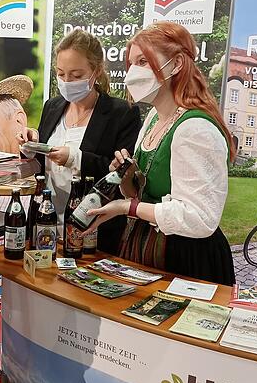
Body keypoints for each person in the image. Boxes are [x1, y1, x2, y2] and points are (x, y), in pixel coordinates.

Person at [84, 22, 235, 285]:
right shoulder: (154, 117)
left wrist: (127, 208)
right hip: (147, 247)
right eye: (131, 64)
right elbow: (145, 188)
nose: (132, 73)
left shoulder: (194, 129)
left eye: (143, 61)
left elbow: (200, 218)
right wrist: (128, 175)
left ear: (176, 64)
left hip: (186, 260)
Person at [29, 28, 139, 254]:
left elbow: (120, 174)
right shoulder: (53, 106)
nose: (67, 81)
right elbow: (42, 163)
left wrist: (76, 159)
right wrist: (31, 146)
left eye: (76, 75)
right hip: (46, 225)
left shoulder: (122, 113)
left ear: (96, 71)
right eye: (61, 74)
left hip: (93, 233)